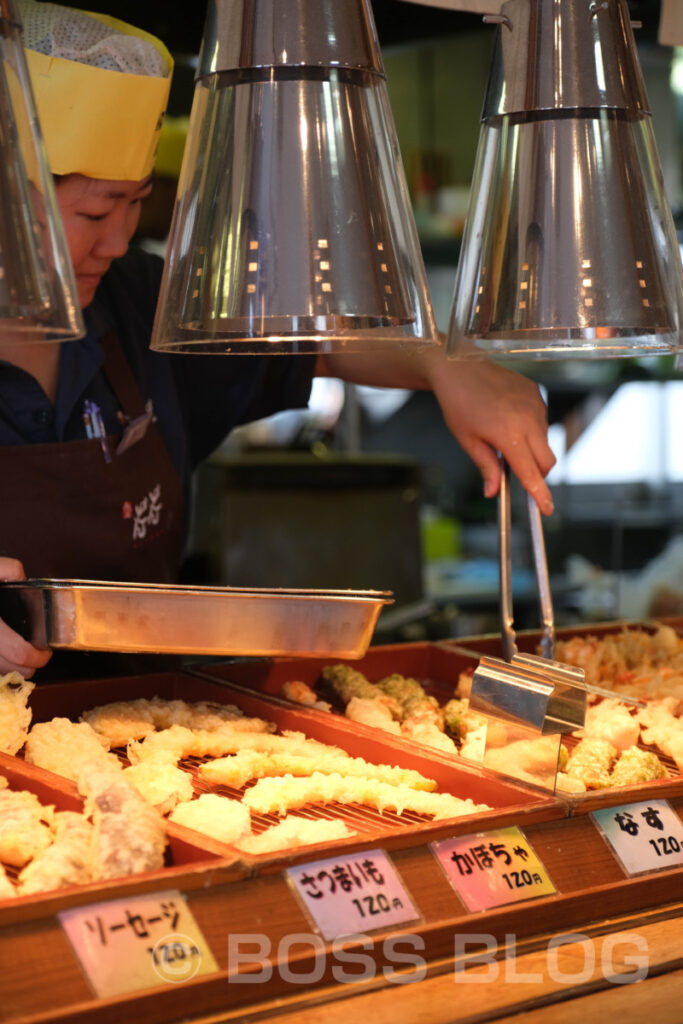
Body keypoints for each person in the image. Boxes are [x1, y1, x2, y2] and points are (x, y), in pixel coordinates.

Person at [0, 0, 555, 678]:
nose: (118, 240)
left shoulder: (139, 300)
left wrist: (444, 366)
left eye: (135, 201)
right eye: (94, 211)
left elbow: (311, 337)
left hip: (146, 742)